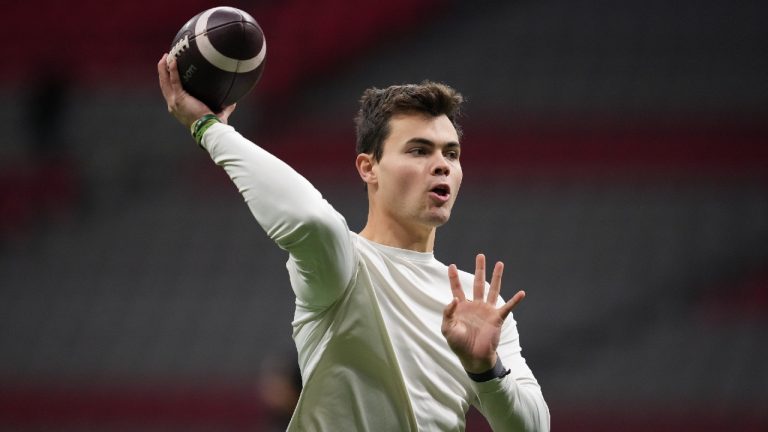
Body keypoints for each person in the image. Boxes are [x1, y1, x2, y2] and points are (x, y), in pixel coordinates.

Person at [157, 54, 550, 431]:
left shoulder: (477, 304)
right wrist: (210, 128)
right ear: (369, 167)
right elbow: (312, 219)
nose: (442, 164)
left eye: (452, 153)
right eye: (418, 150)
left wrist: (485, 368)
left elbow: (533, 428)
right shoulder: (345, 266)